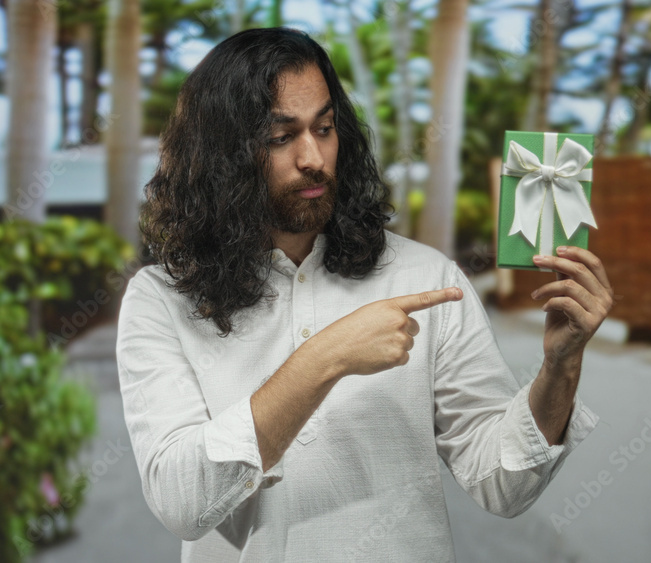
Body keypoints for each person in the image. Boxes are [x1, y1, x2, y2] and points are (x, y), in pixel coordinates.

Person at [116, 26, 613, 562]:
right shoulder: (159, 299)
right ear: (220, 157)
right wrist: (325, 357)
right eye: (281, 137)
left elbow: (503, 484)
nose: (313, 157)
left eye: (324, 127)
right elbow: (182, 503)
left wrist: (560, 368)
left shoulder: (427, 279)